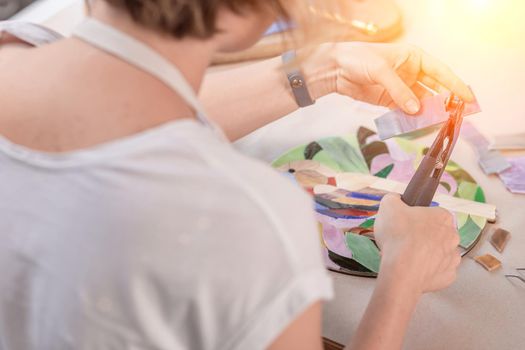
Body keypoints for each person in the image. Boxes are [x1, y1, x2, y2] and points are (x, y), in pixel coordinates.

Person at [0, 0, 469, 349]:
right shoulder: (250, 221)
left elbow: (117, 119)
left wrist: (319, 73)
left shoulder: (15, 48)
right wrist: (402, 278)